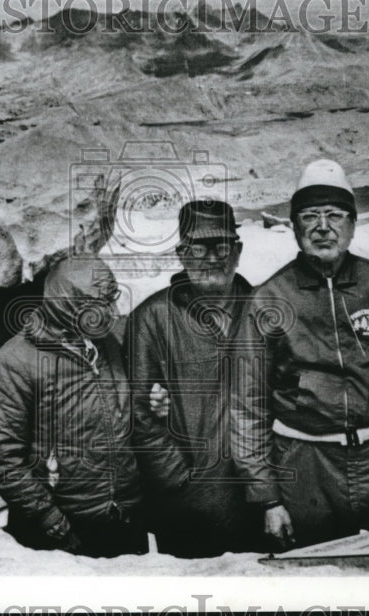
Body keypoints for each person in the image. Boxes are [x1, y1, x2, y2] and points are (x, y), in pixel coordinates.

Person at [231, 159, 369, 549]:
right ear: (294, 227)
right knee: (314, 580)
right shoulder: (268, 299)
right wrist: (267, 498)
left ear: (352, 224)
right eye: (310, 216)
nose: (323, 227)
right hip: (304, 466)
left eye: (335, 215)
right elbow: (246, 409)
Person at [0, 256, 157, 557]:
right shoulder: (17, 359)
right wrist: (51, 521)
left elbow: (122, 418)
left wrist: (153, 402)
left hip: (124, 518)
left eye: (112, 300)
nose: (114, 314)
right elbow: (1, 459)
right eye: (102, 305)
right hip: (66, 527)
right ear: (69, 306)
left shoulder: (107, 343)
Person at [126, 200, 259, 557]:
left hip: (261, 493)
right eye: (199, 248)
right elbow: (139, 414)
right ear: (181, 253)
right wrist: (178, 481)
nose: (211, 258)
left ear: (238, 251)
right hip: (187, 504)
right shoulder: (151, 319)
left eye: (222, 247)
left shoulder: (263, 309)